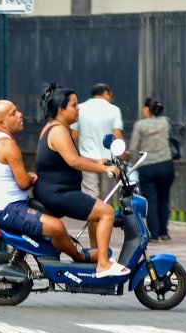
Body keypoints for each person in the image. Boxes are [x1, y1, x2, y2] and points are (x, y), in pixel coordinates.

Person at [0, 99, 98, 262]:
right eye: (13, 113)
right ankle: (80, 256)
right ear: (1, 122)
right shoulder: (7, 145)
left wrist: (26, 175)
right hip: (9, 209)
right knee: (56, 227)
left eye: (17, 110)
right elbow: (24, 183)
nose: (20, 115)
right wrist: (30, 178)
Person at [35, 84, 127, 278]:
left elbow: (68, 157)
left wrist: (97, 160)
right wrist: (105, 168)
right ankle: (103, 264)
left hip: (53, 191)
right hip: (58, 194)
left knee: (97, 213)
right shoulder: (59, 131)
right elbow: (74, 161)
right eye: (74, 105)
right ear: (61, 109)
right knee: (107, 213)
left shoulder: (53, 127)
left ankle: (98, 255)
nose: (79, 109)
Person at [129, 96, 175, 241]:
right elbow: (170, 138)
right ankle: (164, 232)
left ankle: (153, 234)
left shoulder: (140, 125)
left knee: (151, 199)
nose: (142, 110)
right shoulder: (165, 121)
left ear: (148, 109)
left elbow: (134, 147)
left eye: (143, 107)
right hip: (166, 164)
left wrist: (133, 163)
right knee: (164, 198)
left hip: (147, 167)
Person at [73, 83, 124, 201]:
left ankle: (93, 219)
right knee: (107, 200)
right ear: (106, 93)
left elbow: (73, 136)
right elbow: (117, 137)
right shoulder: (114, 110)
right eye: (111, 96)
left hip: (87, 161)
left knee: (91, 201)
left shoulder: (80, 109)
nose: (111, 99)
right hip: (109, 161)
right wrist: (123, 155)